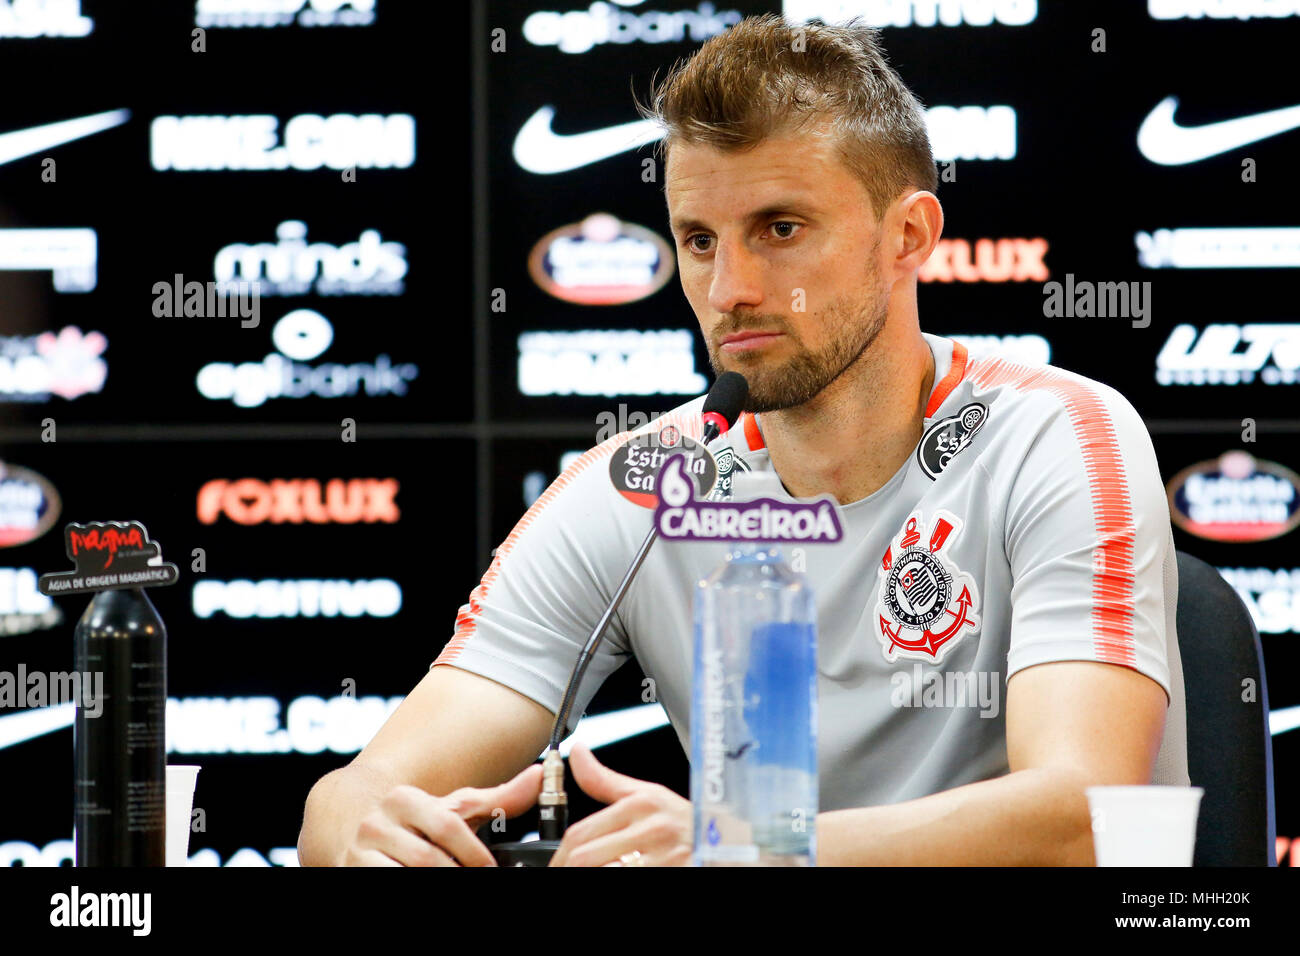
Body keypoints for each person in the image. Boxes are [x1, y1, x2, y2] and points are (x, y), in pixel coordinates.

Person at [297, 14, 1187, 867]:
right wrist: (354, 823)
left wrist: (758, 851)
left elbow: (1090, 817)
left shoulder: (1060, 435)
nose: (730, 288)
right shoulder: (648, 487)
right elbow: (357, 793)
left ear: (907, 236)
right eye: (698, 239)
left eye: (781, 230)